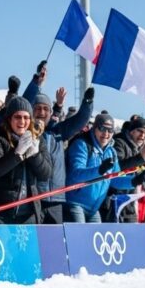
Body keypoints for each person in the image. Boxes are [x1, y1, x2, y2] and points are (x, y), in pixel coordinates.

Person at [30, 87, 94, 224]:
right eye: (38, 108)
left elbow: (80, 120)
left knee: (55, 242)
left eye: (45, 109)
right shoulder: (26, 133)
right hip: (34, 199)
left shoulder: (58, 131)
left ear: (50, 112)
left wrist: (87, 103)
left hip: (56, 198)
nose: (41, 112)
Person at [0, 96, 52, 224]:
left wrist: (35, 156)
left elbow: (46, 174)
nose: (22, 121)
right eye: (18, 117)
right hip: (3, 210)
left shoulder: (37, 139)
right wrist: (16, 154)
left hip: (30, 211)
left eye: (26, 117)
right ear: (9, 119)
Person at [65, 113, 129, 223]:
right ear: (94, 128)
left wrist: (136, 180)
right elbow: (75, 175)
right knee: (80, 238)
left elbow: (116, 180)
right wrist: (100, 170)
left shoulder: (111, 152)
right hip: (75, 204)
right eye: (102, 128)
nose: (106, 133)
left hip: (94, 209)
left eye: (110, 130)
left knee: (95, 239)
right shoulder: (82, 144)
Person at [108, 116, 145, 223]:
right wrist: (140, 158)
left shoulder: (139, 148)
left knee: (132, 234)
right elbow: (118, 168)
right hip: (114, 199)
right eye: (140, 131)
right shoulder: (119, 142)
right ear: (131, 131)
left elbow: (139, 171)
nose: (143, 136)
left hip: (130, 199)